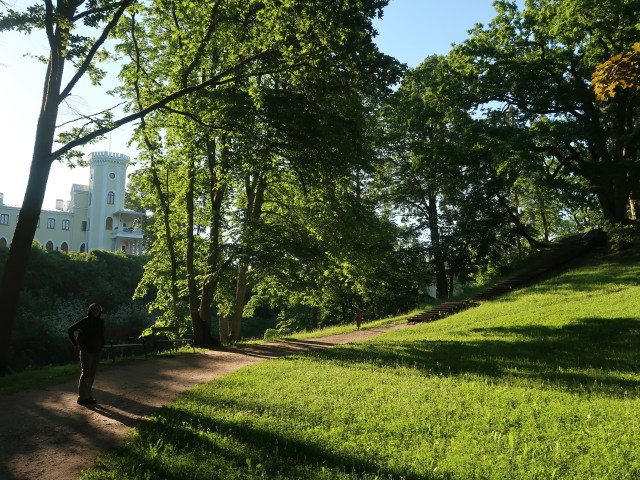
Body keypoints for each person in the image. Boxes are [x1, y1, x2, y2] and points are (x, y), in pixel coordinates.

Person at [67, 303, 104, 405]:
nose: (96, 311)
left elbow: (101, 335)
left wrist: (101, 346)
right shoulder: (85, 321)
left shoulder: (101, 322)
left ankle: (88, 396)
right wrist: (76, 344)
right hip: (86, 351)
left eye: (98, 309)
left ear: (100, 311)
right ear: (90, 310)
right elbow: (70, 330)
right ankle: (82, 398)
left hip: (97, 351)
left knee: (92, 373)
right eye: (93, 309)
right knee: (86, 373)